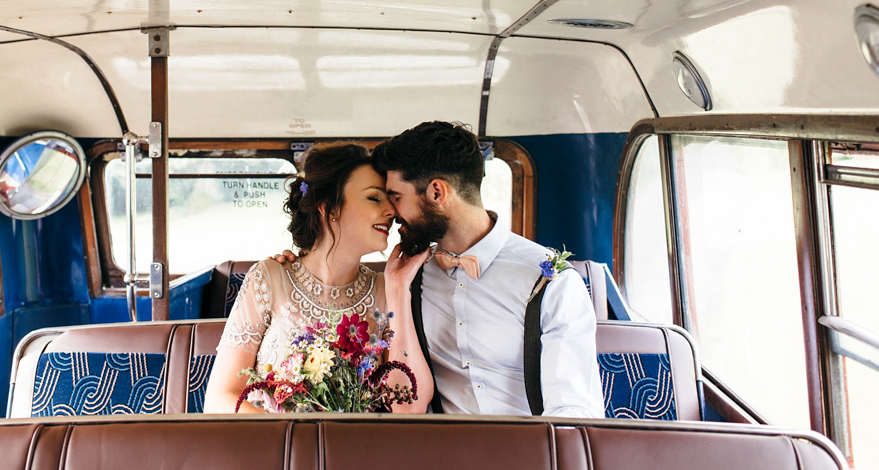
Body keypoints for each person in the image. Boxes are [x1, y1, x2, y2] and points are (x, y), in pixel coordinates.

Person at [371, 121, 604, 417]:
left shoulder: (550, 281)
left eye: (396, 198)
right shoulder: (409, 278)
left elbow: (573, 411)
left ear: (436, 193)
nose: (392, 213)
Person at [203, 142, 433, 413]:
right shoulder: (268, 280)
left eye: (391, 200)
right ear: (329, 208)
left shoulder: (386, 290)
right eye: (374, 198)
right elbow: (221, 399)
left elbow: (408, 409)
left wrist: (398, 290)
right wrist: (294, 439)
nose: (392, 212)